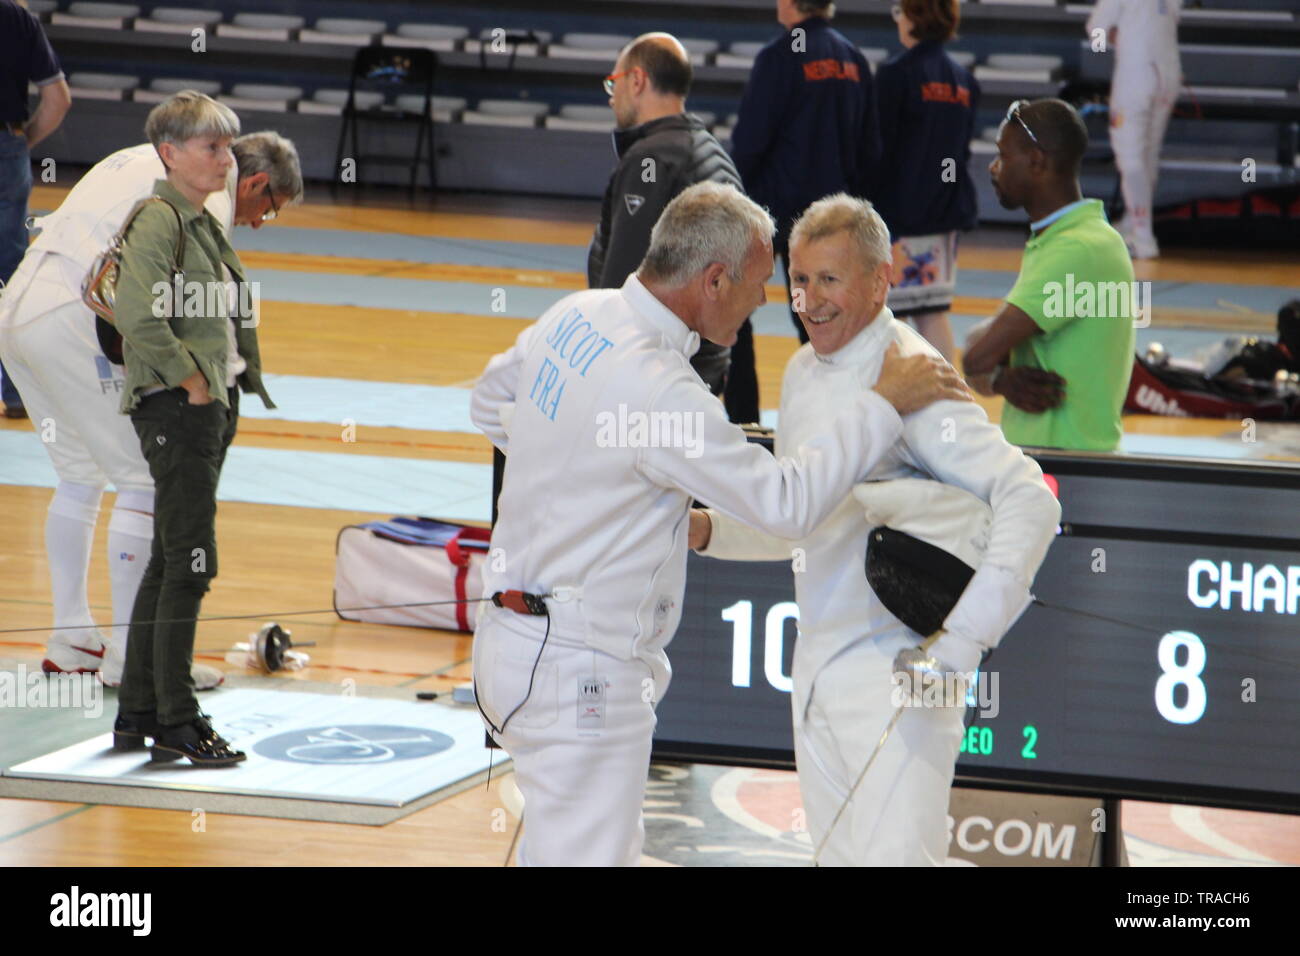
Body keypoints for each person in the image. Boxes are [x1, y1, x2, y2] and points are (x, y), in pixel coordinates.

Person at [470, 181, 972, 866]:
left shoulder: (577, 314)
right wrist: (882, 405)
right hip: (579, 670)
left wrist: (583, 470)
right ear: (713, 280)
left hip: (508, 647)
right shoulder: (662, 392)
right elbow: (789, 505)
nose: (768, 302)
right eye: (762, 283)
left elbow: (489, 400)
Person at [690, 194, 1060, 865]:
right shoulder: (804, 372)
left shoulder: (913, 375)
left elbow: (1031, 499)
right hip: (816, 679)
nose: (810, 300)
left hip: (901, 678)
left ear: (880, 279)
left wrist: (962, 646)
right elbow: (802, 520)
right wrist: (707, 530)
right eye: (799, 280)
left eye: (829, 279)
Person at [0, 126, 301, 686]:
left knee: (79, 475)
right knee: (145, 478)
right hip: (74, 317)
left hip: (18, 307)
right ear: (255, 179)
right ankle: (132, 657)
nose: (259, 222)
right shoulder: (210, 180)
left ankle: (72, 640)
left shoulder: (140, 153)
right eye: (270, 208)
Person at [108, 92, 278, 766]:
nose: (224, 159)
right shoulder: (159, 220)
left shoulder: (199, 220)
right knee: (191, 566)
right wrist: (193, 382)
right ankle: (177, 717)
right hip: (181, 410)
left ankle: (138, 711)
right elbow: (137, 315)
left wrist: (221, 390)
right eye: (210, 147)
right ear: (169, 153)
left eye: (227, 147)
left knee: (170, 559)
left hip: (205, 407)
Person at [589, 32, 753, 419]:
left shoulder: (653, 160)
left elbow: (623, 291)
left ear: (637, 81)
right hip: (700, 370)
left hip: (656, 381)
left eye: (614, 83)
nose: (611, 97)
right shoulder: (709, 150)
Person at [964, 98, 1135, 452]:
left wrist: (996, 376)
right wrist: (1000, 376)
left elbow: (975, 357)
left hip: (1066, 457)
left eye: (1003, 156)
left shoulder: (1078, 249)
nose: (994, 168)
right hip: (1051, 454)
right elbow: (979, 348)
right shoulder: (1072, 238)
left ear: (1036, 161)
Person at [730, 0, 879, 349]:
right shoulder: (853, 59)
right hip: (832, 216)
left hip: (775, 213)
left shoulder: (779, 56)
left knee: (739, 310)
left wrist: (734, 195)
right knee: (818, 316)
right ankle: (834, 396)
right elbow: (870, 148)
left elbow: (751, 141)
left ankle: (743, 406)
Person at [874, 0, 979, 363]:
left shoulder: (896, 75)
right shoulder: (963, 81)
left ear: (915, 16)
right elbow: (958, 155)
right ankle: (952, 405)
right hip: (944, 212)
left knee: (887, 318)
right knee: (932, 312)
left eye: (900, 11)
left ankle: (891, 406)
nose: (898, 19)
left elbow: (878, 150)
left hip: (898, 216)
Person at [0, 0, 70, 418]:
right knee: (9, 273)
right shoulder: (16, 17)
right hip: (5, 145)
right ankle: (17, 391)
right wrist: (19, 147)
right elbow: (58, 99)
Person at [1086, 0, 1182, 260]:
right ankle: (1133, 222)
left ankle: (1142, 238)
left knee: (1131, 158)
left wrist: (1110, 38)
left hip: (1136, 75)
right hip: (1168, 74)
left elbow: (1095, 31)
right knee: (1148, 155)